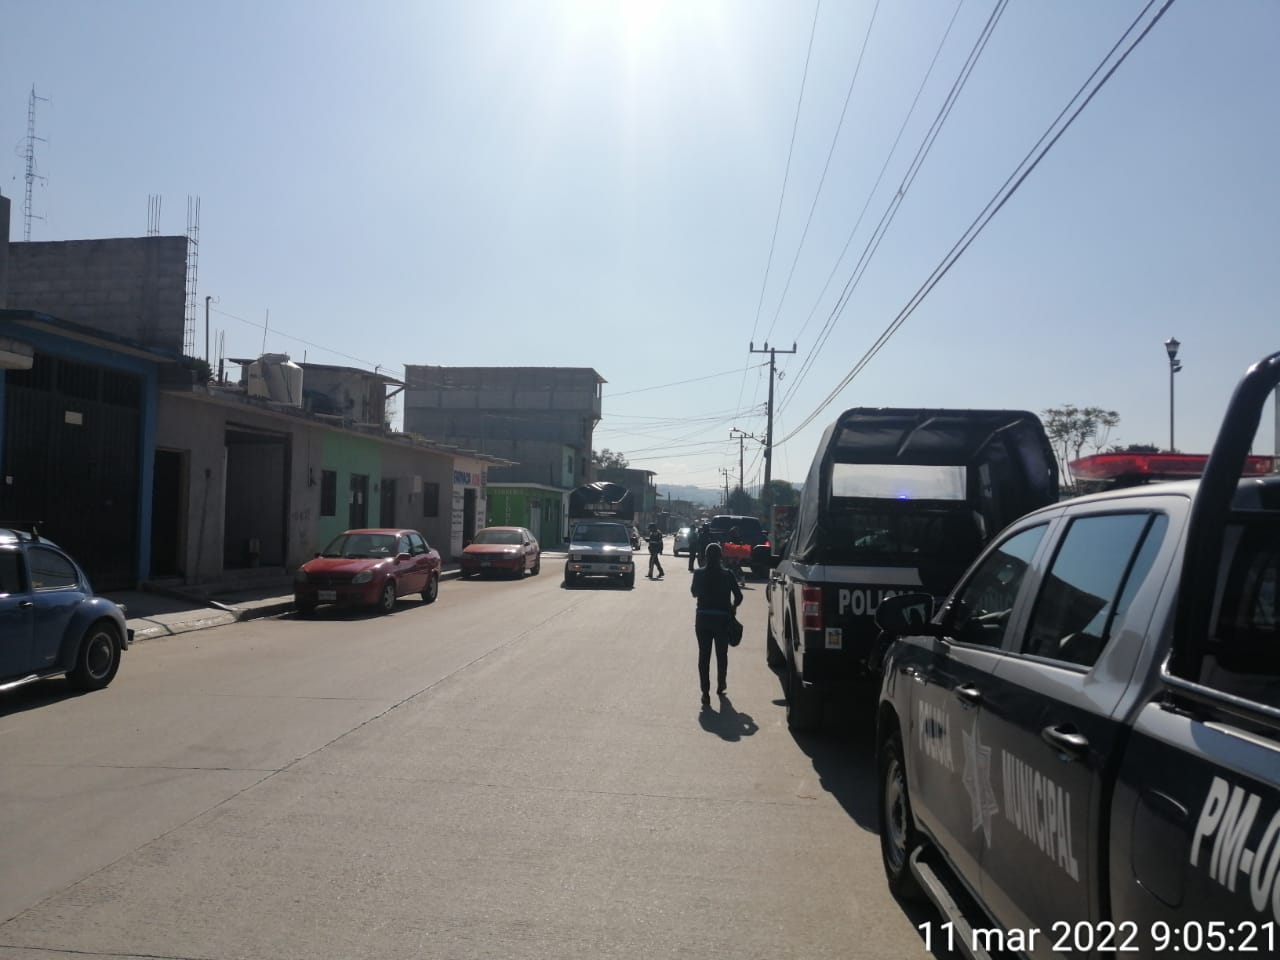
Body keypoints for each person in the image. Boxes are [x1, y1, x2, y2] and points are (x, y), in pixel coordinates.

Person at [690, 542, 743, 706]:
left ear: (706, 557)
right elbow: (739, 596)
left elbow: (694, 593)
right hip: (722, 620)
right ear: (721, 557)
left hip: (703, 619)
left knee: (704, 655)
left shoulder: (699, 573)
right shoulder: (728, 574)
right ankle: (721, 684)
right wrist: (733, 607)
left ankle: (705, 692)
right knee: (722, 654)